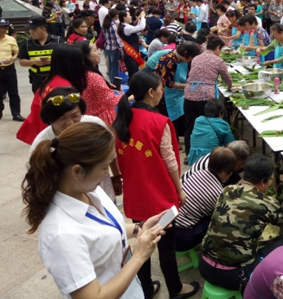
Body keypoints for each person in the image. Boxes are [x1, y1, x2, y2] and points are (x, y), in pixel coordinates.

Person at [22, 122, 168, 299]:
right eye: (104, 167)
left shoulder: (89, 189)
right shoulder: (61, 235)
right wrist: (139, 256)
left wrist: (139, 228)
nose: (107, 173)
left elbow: (103, 231)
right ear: (77, 171)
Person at [112, 71, 200, 299]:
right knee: (165, 247)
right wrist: (180, 192)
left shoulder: (122, 117)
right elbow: (171, 161)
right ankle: (176, 289)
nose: (162, 92)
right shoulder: (159, 121)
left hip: (135, 194)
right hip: (158, 195)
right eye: (161, 88)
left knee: (141, 245)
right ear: (151, 92)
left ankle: (146, 289)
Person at [199, 154, 283, 291]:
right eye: (270, 180)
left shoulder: (227, 190)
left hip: (204, 266)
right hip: (234, 276)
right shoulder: (266, 203)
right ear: (263, 181)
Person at [29, 86, 119, 201]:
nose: (70, 123)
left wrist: (116, 177)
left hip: (105, 196)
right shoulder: (41, 143)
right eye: (62, 118)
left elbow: (111, 155)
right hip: (70, 204)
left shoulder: (94, 124)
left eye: (75, 115)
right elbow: (37, 181)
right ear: (50, 118)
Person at [17, 44, 88, 145]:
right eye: (81, 60)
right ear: (73, 64)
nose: (83, 64)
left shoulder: (51, 80)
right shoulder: (65, 90)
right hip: (57, 135)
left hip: (45, 130)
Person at [174, 147, 237, 251]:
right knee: (220, 218)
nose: (231, 175)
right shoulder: (219, 193)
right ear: (224, 172)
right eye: (231, 172)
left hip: (168, 226)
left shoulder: (197, 172)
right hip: (181, 239)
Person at [184, 36, 233, 156]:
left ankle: (189, 152)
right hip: (205, 97)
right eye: (220, 49)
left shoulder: (196, 58)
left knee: (190, 126)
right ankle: (209, 153)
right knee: (207, 125)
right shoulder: (218, 60)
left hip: (189, 94)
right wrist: (230, 86)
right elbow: (227, 77)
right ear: (217, 48)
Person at [156, 41, 201, 136]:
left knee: (180, 117)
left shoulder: (181, 60)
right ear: (186, 54)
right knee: (170, 121)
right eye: (191, 58)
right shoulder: (169, 60)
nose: (191, 60)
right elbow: (168, 83)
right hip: (165, 95)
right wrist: (186, 86)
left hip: (178, 94)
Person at [77, 41, 122, 127]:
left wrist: (105, 87)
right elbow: (112, 101)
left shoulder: (80, 73)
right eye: (95, 50)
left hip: (88, 117)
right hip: (102, 120)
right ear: (85, 56)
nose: (99, 52)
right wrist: (132, 96)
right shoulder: (94, 77)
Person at [18, 16, 64, 93]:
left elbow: (67, 59)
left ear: (43, 29)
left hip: (56, 79)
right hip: (37, 81)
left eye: (34, 29)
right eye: (30, 29)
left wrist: (53, 61)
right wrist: (34, 62)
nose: (31, 32)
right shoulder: (26, 44)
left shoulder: (59, 41)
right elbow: (21, 61)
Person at [187, 98, 235, 165]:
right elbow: (231, 144)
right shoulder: (222, 124)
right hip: (211, 163)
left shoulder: (198, 120)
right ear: (220, 113)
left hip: (193, 161)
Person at [0, 19, 24, 121]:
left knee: (13, 92)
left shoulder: (10, 39)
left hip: (9, 69)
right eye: (1, 27)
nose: (2, 30)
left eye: (4, 28)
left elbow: (16, 53)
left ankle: (16, 113)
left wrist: (12, 58)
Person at [118, 9, 146, 79]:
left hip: (131, 55)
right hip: (130, 55)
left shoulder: (125, 26)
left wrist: (139, 19)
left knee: (134, 74)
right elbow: (141, 27)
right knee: (133, 75)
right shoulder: (126, 28)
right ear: (124, 18)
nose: (131, 17)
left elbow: (137, 29)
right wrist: (142, 17)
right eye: (129, 15)